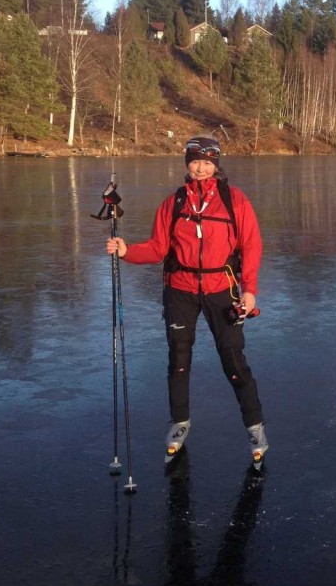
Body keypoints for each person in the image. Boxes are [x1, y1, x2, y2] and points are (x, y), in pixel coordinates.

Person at [106, 135, 268, 466]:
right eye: (195, 161)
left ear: (217, 166)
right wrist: (126, 251)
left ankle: (256, 428)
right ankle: (180, 422)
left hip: (221, 289)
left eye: (208, 162)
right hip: (179, 289)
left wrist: (249, 289)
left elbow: (251, 246)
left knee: (233, 360)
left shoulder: (234, 200)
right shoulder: (174, 203)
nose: (201, 168)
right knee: (179, 359)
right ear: (187, 163)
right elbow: (157, 248)